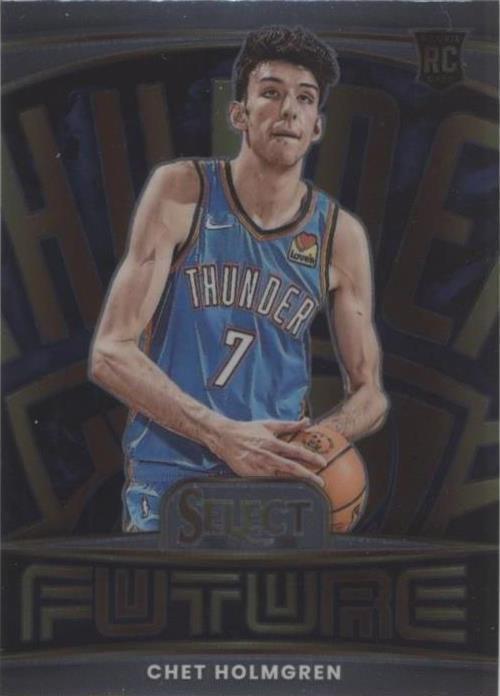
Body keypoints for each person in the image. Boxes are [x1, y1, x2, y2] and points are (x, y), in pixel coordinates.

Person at [89, 26, 389, 532]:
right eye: (270, 92)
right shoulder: (182, 192)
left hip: (274, 488)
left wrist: (314, 443)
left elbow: (370, 394)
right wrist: (220, 433)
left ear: (317, 125)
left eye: (305, 98)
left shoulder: (340, 235)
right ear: (239, 113)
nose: (288, 109)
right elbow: (109, 352)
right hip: (171, 484)